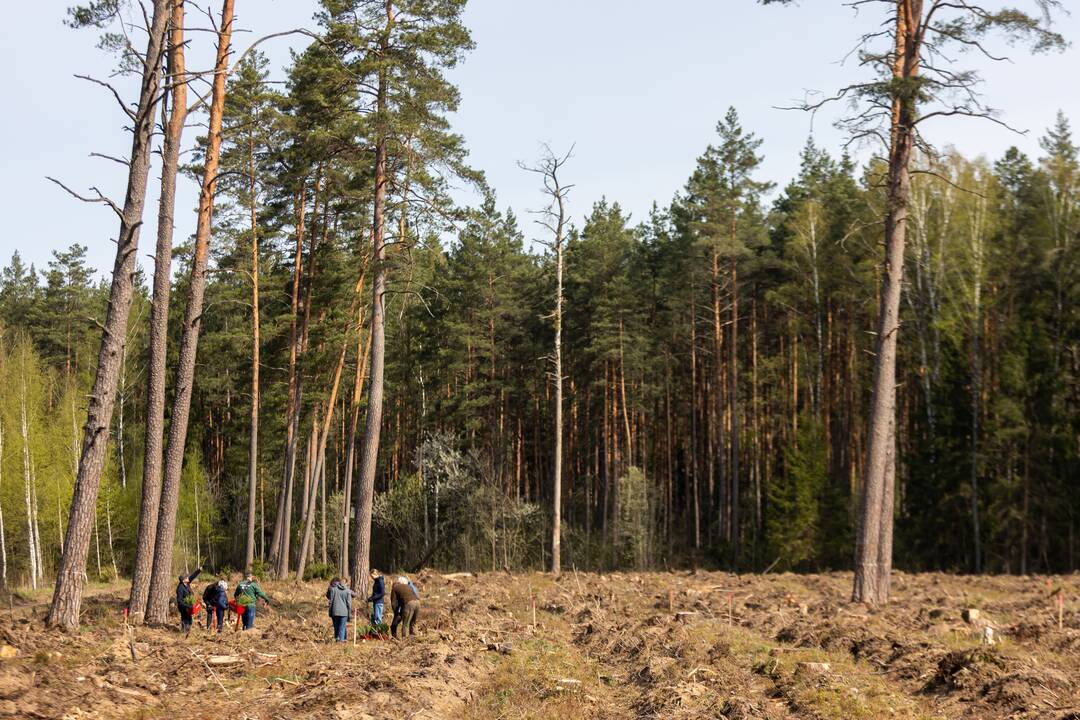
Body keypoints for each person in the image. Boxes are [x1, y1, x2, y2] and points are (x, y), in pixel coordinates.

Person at [326, 577, 354, 642]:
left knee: (336, 626)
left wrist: (330, 612)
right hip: (344, 612)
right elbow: (349, 604)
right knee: (342, 627)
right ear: (346, 583)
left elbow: (330, 601)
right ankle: (341, 641)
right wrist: (349, 614)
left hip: (334, 611)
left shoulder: (333, 589)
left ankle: (337, 639)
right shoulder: (347, 591)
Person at [175, 568, 202, 635]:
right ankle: (184, 634)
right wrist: (188, 606)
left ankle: (187, 633)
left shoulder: (187, 583)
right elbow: (179, 601)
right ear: (183, 580)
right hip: (183, 608)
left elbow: (192, 576)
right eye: (186, 577)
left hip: (189, 607)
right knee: (185, 620)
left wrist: (198, 570)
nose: (188, 578)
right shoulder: (180, 588)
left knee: (189, 620)